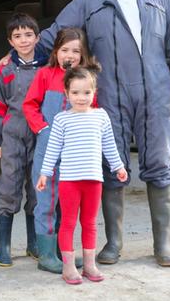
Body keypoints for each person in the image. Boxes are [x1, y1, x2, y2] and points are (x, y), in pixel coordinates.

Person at [0, 0, 170, 266]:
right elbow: (54, 36)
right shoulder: (89, 0)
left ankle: (163, 244)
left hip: (156, 90)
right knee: (109, 167)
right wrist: (18, 56)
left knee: (160, 165)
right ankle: (113, 243)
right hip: (109, 97)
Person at [37, 65, 128, 285]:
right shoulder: (61, 119)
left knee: (90, 223)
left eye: (86, 92)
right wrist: (44, 173)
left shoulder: (101, 116)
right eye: (75, 93)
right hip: (69, 182)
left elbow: (109, 145)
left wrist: (118, 166)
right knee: (67, 223)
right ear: (67, 93)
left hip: (94, 180)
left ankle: (89, 265)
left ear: (94, 92)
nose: (81, 97)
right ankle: (68, 268)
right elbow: (53, 149)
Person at [23, 27, 97, 273]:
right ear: (56, 52)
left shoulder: (85, 79)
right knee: (46, 199)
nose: (70, 55)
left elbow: (93, 111)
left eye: (76, 51)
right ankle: (46, 255)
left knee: (67, 203)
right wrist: (42, 129)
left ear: (82, 54)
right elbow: (30, 104)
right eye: (64, 49)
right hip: (48, 147)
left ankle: (61, 251)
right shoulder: (46, 74)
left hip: (75, 152)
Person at [0, 13, 49, 266]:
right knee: (9, 187)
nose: (23, 40)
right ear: (10, 42)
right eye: (17, 36)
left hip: (40, 133)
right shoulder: (5, 70)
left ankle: (33, 244)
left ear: (37, 37)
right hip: (12, 134)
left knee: (38, 189)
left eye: (28, 35)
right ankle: (3, 247)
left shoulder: (49, 67)